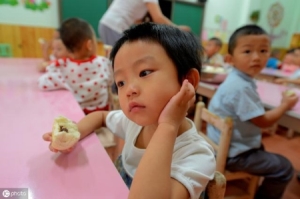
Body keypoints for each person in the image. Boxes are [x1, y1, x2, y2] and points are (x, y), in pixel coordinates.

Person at [43, 23, 216, 199]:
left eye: (144, 72)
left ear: (188, 81)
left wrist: (168, 125)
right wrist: (73, 134)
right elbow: (101, 117)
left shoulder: (197, 155)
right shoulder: (135, 123)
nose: (129, 90)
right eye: (120, 83)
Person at [207, 24, 298, 199]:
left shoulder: (236, 79)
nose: (256, 57)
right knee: (285, 168)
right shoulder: (241, 87)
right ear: (230, 58)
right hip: (234, 154)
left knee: (263, 149)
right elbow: (263, 122)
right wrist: (285, 105)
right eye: (247, 51)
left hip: (220, 145)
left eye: (263, 51)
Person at [38, 18, 113, 115]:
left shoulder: (62, 67)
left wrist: (50, 68)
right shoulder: (104, 62)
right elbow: (111, 81)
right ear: (89, 45)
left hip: (78, 115)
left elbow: (42, 84)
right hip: (103, 113)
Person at [98, 0, 191, 46]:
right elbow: (158, 17)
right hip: (114, 26)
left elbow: (136, 20)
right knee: (121, 61)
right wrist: (177, 28)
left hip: (107, 24)